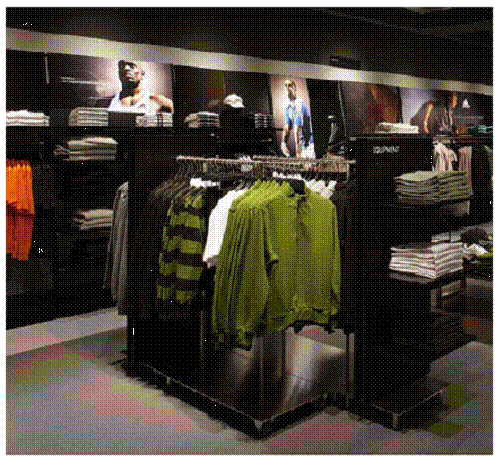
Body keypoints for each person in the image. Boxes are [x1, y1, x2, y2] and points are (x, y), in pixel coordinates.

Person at [108, 60, 173, 114]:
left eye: (131, 65)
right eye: (122, 66)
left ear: (142, 74)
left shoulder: (156, 100)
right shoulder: (109, 101)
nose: (126, 68)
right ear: (119, 74)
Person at [281, 79, 314, 158]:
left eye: (289, 85)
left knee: (304, 162)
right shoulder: (287, 106)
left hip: (310, 144)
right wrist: (283, 144)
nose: (287, 87)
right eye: (286, 86)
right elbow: (287, 127)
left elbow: (297, 132)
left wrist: (298, 155)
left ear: (294, 88)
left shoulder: (298, 103)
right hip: (303, 145)